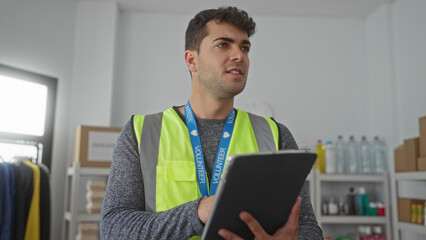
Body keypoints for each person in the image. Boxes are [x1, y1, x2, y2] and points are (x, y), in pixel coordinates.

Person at [100, 6, 323, 240]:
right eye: (223, 44)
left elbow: (307, 226)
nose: (239, 55)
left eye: (244, 47)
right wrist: (198, 212)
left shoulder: (275, 134)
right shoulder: (140, 132)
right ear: (191, 60)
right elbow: (114, 227)